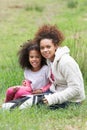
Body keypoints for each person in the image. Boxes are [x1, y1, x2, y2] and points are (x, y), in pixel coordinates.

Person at [34, 24, 85, 109]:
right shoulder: (50, 60)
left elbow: (76, 88)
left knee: (38, 106)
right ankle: (7, 106)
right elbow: (56, 83)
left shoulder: (66, 62)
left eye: (48, 47)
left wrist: (52, 98)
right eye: (42, 48)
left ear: (56, 46)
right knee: (31, 99)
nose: (45, 50)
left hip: (73, 100)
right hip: (57, 92)